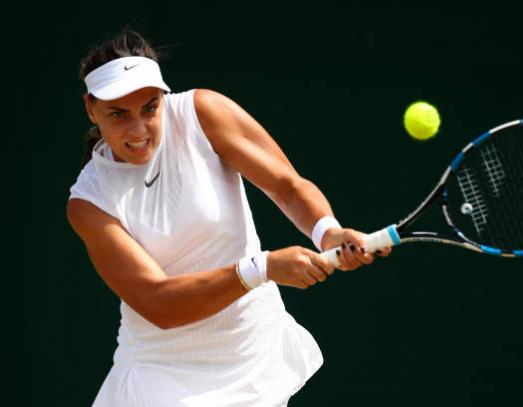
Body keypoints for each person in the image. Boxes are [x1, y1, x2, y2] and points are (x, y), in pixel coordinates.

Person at [67, 29, 390, 407]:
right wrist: (262, 268)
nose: (138, 130)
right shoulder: (90, 202)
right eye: (118, 114)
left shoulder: (202, 114)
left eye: (150, 108)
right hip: (161, 378)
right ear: (91, 107)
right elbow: (159, 304)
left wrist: (328, 232)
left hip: (252, 357)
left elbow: (286, 185)